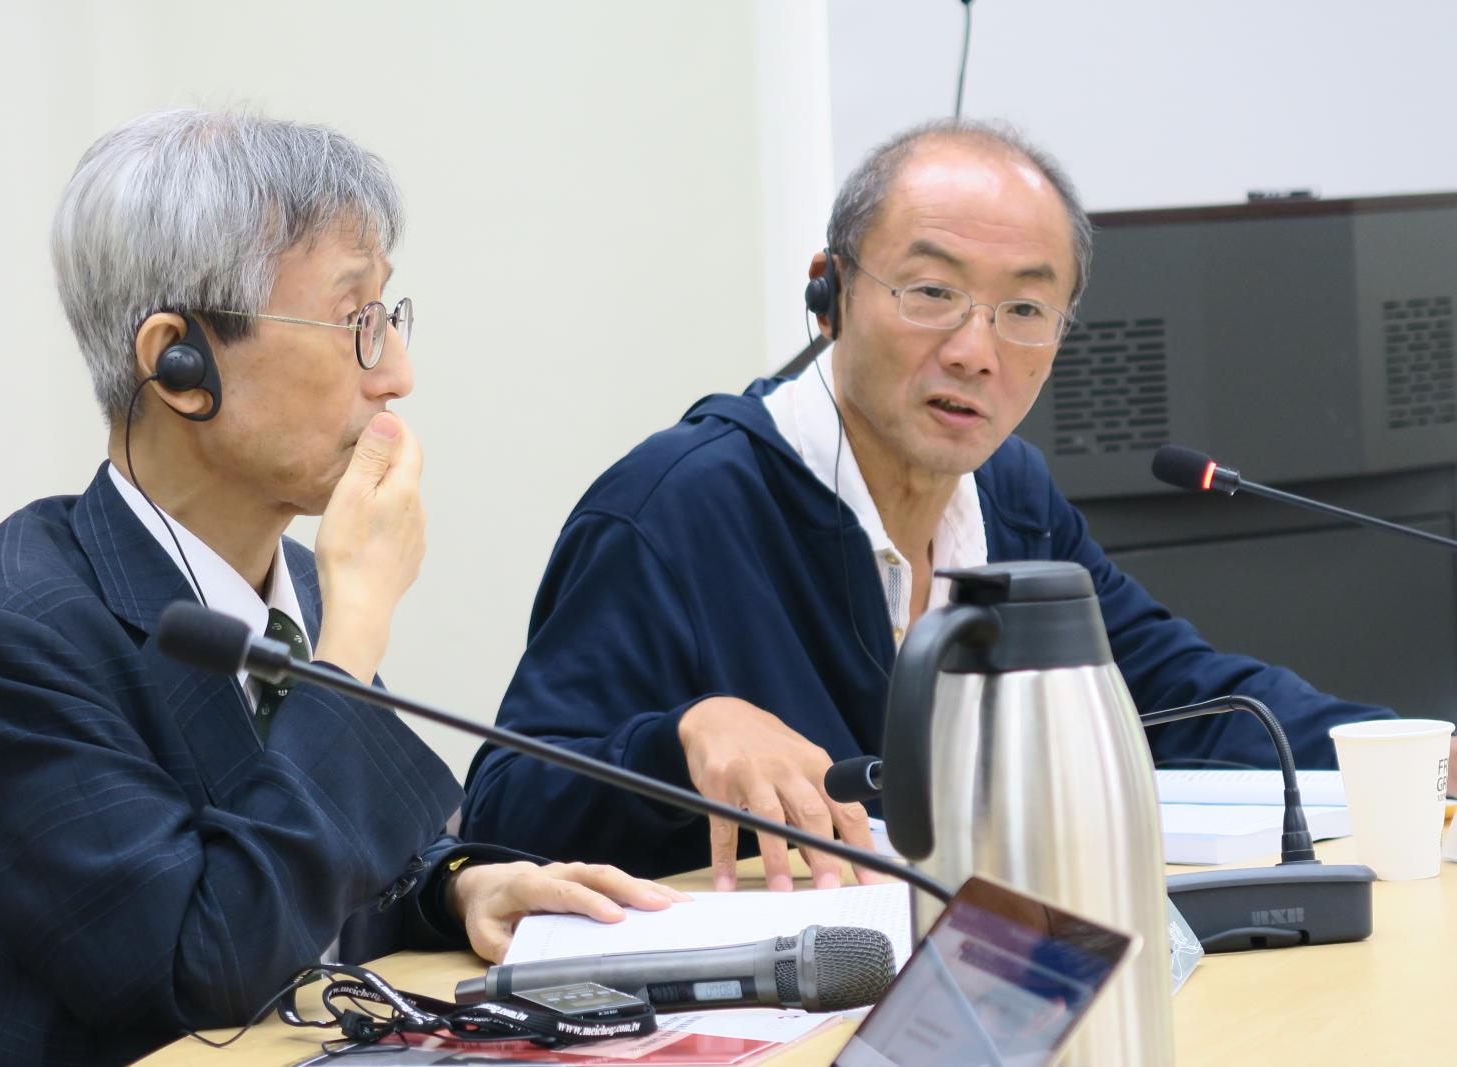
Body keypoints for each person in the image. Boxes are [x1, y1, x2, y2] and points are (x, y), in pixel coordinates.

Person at [0, 109, 682, 1067]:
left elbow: (315, 861)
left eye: (388, 317)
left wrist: (455, 890)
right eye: (356, 322)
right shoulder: (7, 629)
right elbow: (203, 967)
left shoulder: (301, 584)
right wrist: (352, 643)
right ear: (179, 365)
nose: (397, 374)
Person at [462, 118, 1414, 891]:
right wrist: (682, 739)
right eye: (930, 292)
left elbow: (1189, 699)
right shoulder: (676, 505)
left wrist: (1428, 759)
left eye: (1025, 311)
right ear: (830, 293)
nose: (974, 351)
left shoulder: (1011, 496)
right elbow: (503, 812)